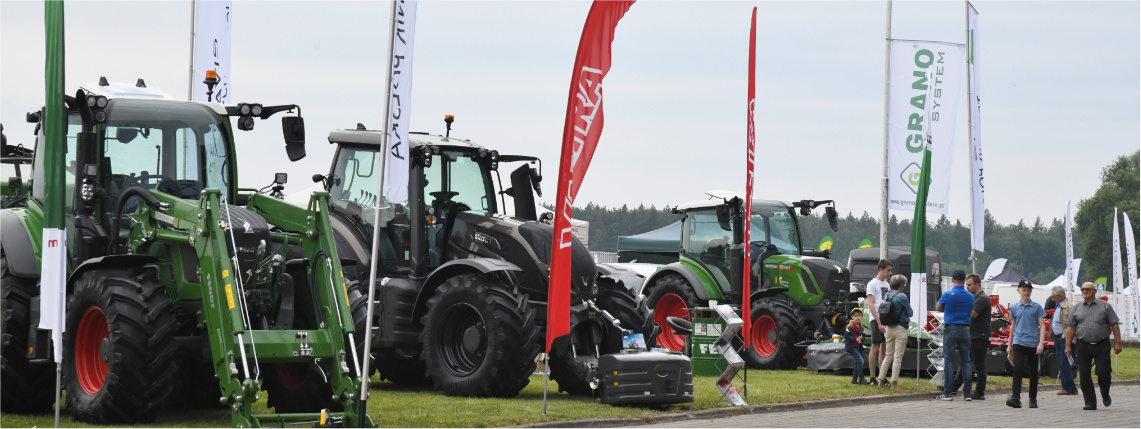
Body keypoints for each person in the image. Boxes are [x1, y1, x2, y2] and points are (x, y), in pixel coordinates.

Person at [1065, 282, 1123, 411]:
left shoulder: (1105, 307)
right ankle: (1090, 402)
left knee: (1103, 372)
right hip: (1083, 344)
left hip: (1101, 344)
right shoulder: (1077, 308)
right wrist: (1067, 346)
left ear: (1094, 291)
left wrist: (1118, 343)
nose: (1085, 291)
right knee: (1084, 374)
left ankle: (1105, 392)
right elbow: (1070, 328)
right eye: (1083, 289)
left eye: (1088, 289)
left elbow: (1114, 325)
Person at [935, 269, 975, 401]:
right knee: (966, 362)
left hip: (951, 328)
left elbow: (938, 308)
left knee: (948, 361)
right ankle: (967, 393)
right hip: (965, 329)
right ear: (964, 281)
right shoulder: (970, 296)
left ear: (952, 280)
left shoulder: (947, 294)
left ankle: (947, 393)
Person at [1006, 280, 1046, 409]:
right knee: (1017, 369)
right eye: (1024, 290)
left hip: (1033, 342)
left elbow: (1043, 325)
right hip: (1019, 341)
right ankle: (1015, 397)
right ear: (1019, 291)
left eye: (1028, 290)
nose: (1026, 292)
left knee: (1033, 371)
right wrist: (1009, 343)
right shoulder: (1015, 307)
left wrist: (1041, 343)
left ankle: (1032, 398)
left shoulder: (1037, 307)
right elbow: (1012, 326)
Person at [951, 273, 992, 400]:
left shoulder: (982, 298)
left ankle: (980, 392)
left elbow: (972, 314)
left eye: (969, 285)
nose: (966, 287)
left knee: (979, 364)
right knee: (965, 362)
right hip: (973, 334)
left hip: (980, 335)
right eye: (966, 285)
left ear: (977, 285)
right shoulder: (975, 297)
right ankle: (953, 387)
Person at [876, 274, 912, 389]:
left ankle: (880, 381)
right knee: (898, 357)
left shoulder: (887, 294)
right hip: (901, 328)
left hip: (889, 327)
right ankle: (894, 384)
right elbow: (910, 312)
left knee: (888, 356)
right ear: (901, 285)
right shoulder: (902, 296)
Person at [864, 258, 892, 386]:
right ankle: (872, 377)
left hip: (885, 318)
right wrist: (878, 321)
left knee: (884, 349)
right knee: (875, 347)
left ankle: (882, 376)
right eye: (888, 270)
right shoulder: (872, 283)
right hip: (876, 318)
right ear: (881, 269)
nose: (890, 273)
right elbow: (871, 304)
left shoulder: (887, 285)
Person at [1049, 286, 1078, 395]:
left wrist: (1068, 342)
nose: (1052, 299)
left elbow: (1072, 325)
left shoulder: (1069, 307)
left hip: (1065, 338)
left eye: (1054, 297)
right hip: (1058, 338)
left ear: (1059, 296)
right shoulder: (1058, 306)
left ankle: (1067, 388)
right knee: (1061, 364)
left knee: (1064, 364)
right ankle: (1072, 388)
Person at [844, 308, 871, 385]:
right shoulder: (850, 326)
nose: (857, 317)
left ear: (862, 317)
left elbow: (864, 337)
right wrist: (855, 339)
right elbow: (846, 336)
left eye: (859, 315)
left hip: (858, 347)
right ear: (852, 317)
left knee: (857, 362)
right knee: (860, 361)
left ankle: (854, 379)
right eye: (855, 316)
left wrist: (862, 339)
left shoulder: (862, 327)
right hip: (852, 347)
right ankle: (861, 379)